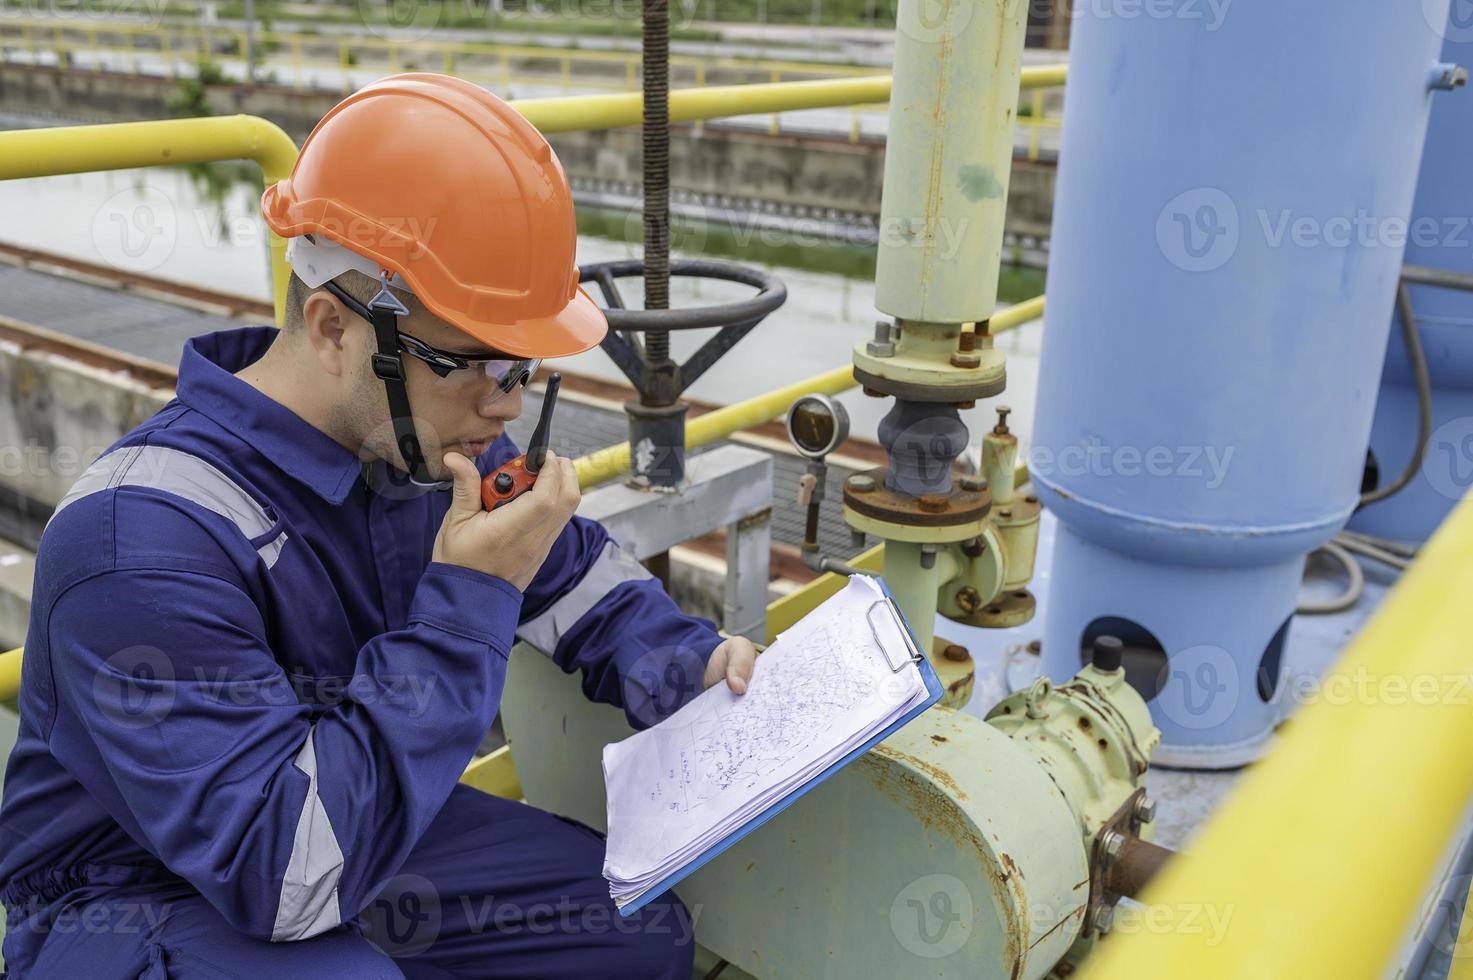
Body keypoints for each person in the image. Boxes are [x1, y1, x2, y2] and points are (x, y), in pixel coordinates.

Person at [0, 73, 756, 979]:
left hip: (347, 800)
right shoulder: (137, 544)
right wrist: (464, 604)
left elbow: (567, 573)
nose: (505, 407)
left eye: (523, 366)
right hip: (138, 893)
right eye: (475, 364)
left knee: (641, 933)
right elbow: (282, 876)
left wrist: (692, 667)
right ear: (331, 330)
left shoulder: (417, 446)